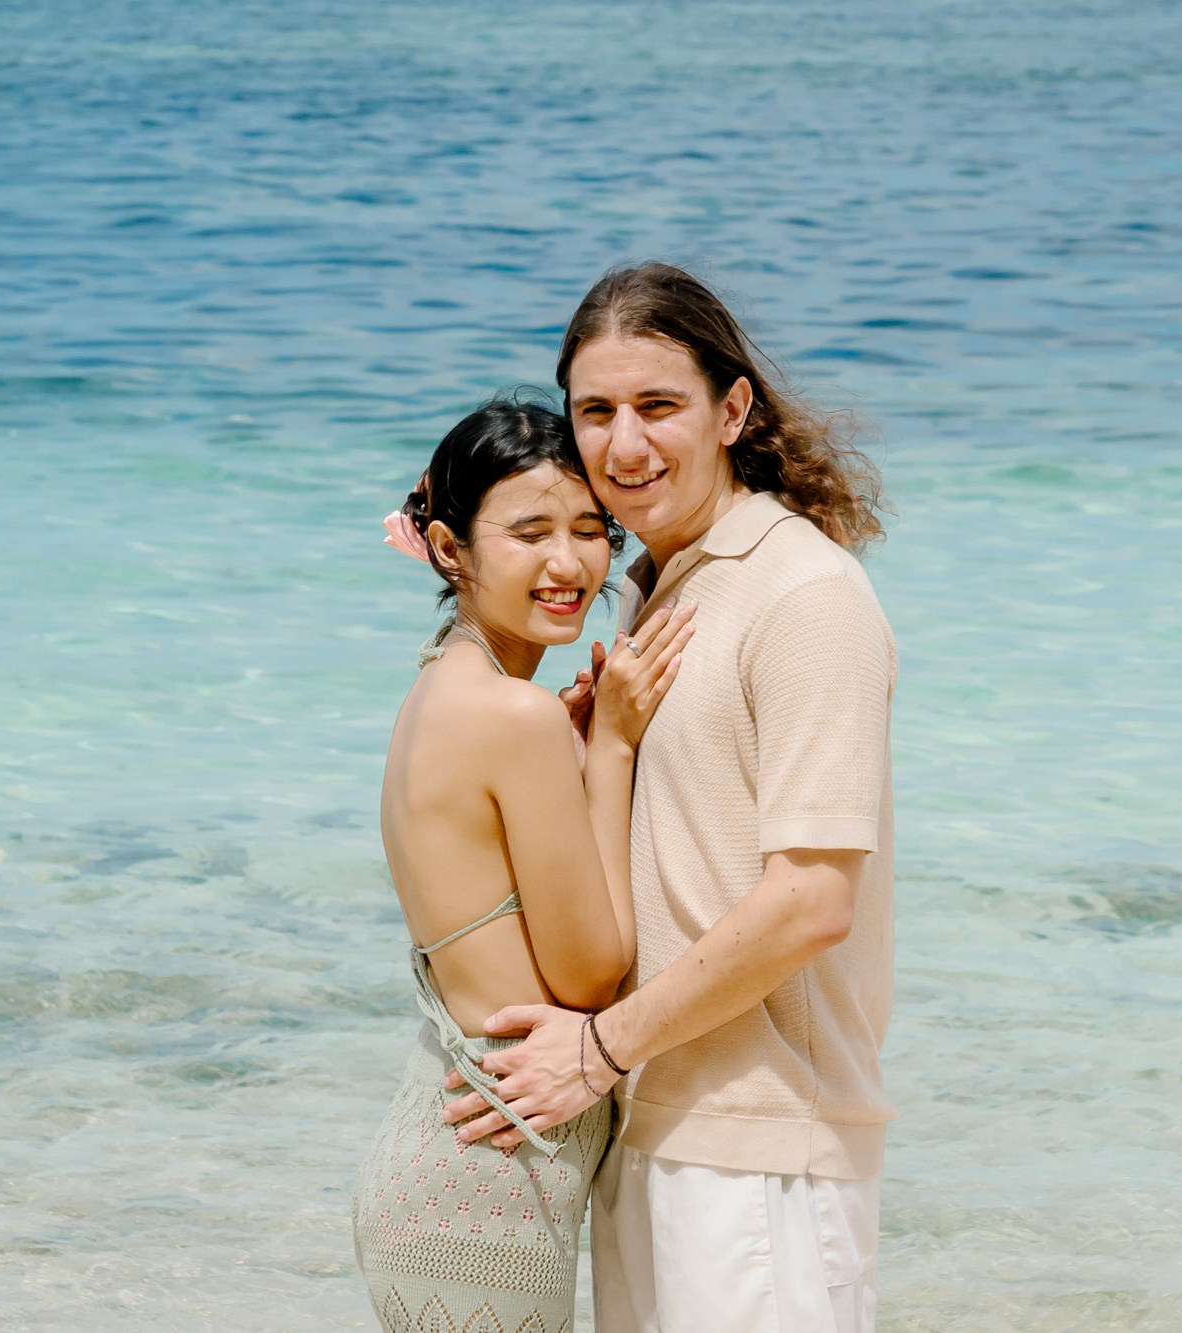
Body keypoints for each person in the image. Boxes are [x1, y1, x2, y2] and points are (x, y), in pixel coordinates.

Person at [440, 263, 897, 1332]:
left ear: (731, 411)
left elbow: (811, 901)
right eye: (595, 411)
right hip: (643, 1125)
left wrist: (598, 1049)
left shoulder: (804, 593)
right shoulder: (655, 584)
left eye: (657, 405)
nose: (624, 444)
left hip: (761, 1152)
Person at [352, 395, 695, 1332]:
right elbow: (589, 974)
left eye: (590, 529)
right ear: (450, 548)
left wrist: (576, 754)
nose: (569, 562)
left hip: (451, 1161)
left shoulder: (441, 686)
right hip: (484, 1190)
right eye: (531, 531)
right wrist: (612, 746)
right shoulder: (517, 715)